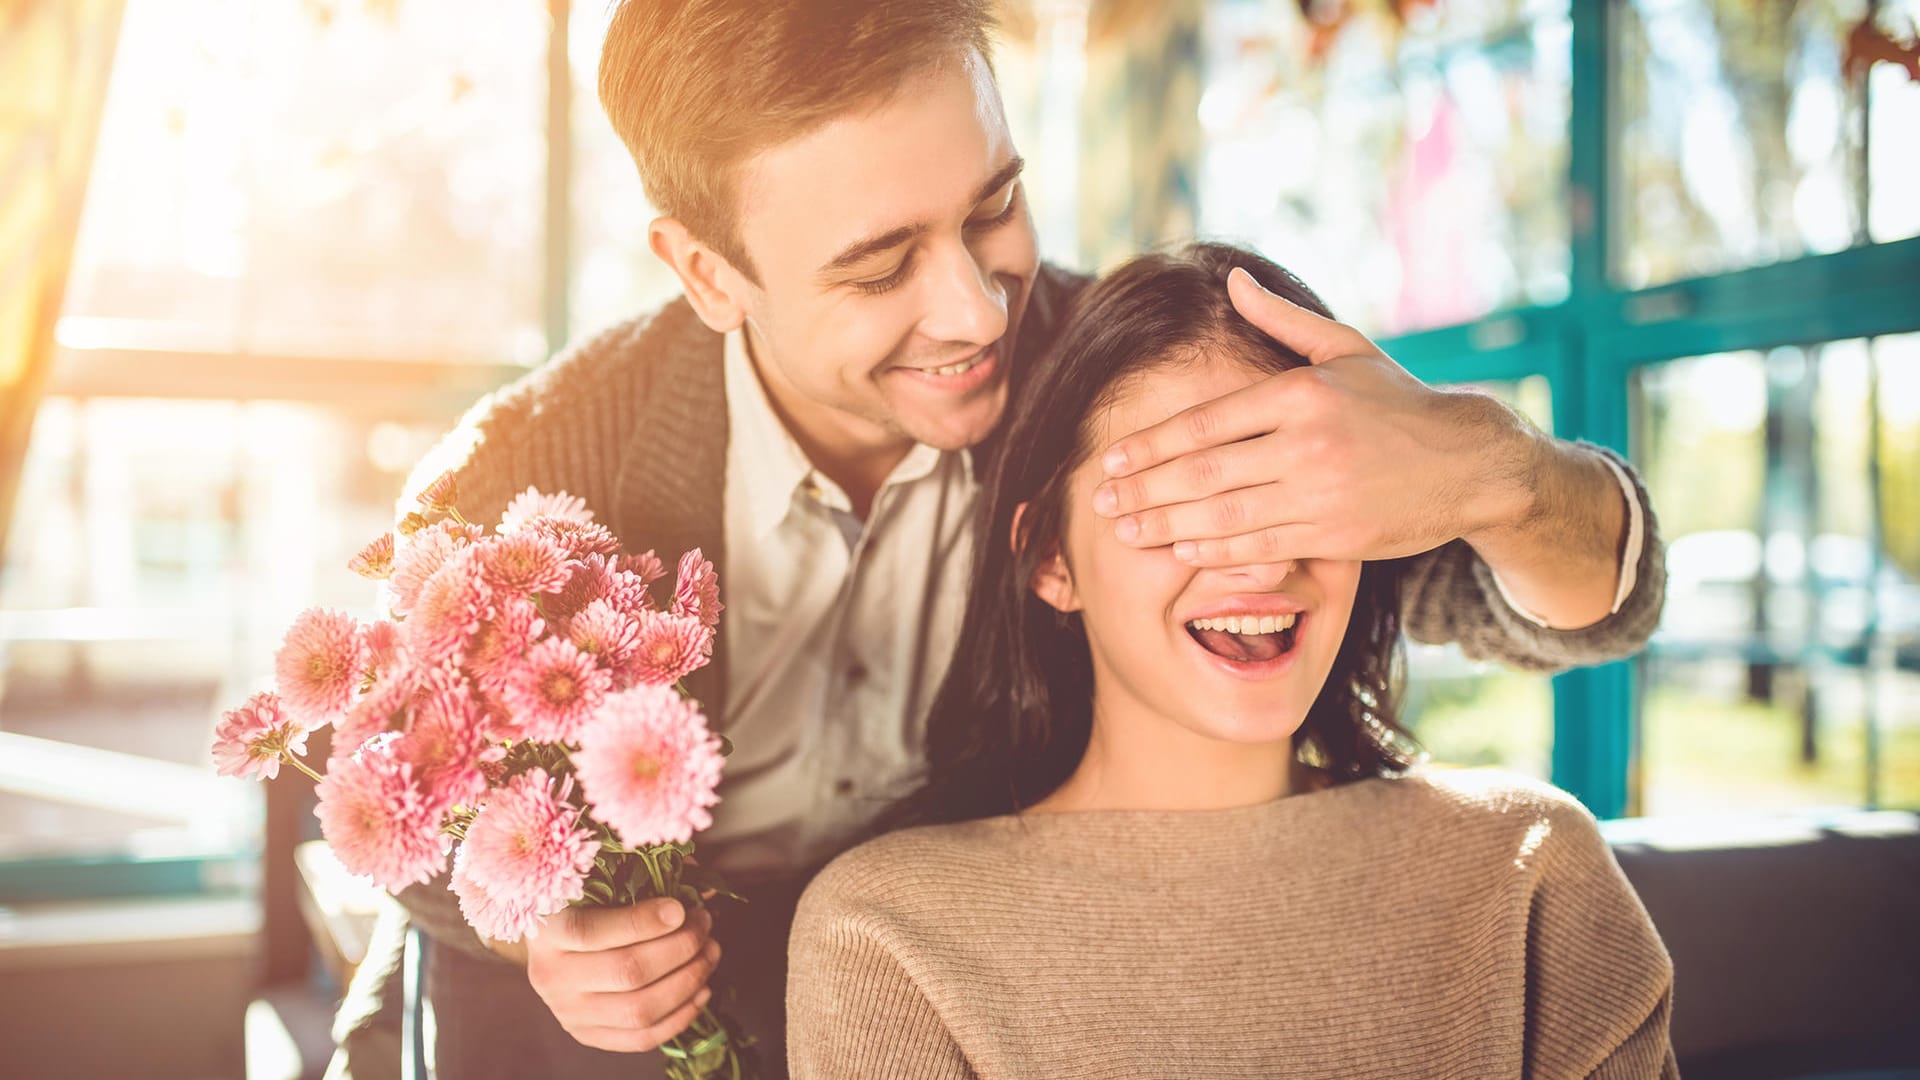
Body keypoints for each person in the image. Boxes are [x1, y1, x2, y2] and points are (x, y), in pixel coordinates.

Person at [327, 3, 1667, 1078]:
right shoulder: (529, 478)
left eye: (994, 207)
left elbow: (1561, 600)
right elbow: (393, 800)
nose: (975, 312)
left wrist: (1497, 471)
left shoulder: (1118, 382)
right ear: (707, 271)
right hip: (587, 1040)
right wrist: (538, 922)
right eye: (877, 265)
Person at [785, 243, 1676, 1079]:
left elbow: (1603, 588)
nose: (1260, 564)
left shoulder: (1528, 869)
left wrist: (1491, 457)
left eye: (1294, 498)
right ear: (1052, 559)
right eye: (1191, 503)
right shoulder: (885, 935)